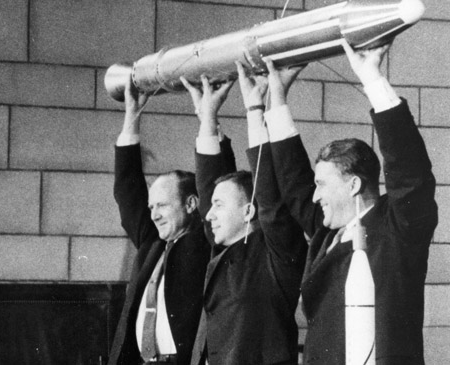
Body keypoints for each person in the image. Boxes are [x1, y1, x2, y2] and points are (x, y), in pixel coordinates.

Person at [266, 40, 438, 364]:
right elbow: (293, 182)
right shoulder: (328, 232)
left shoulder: (398, 229)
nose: (314, 196)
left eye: (321, 185)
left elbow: (410, 172)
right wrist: (276, 97)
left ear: (354, 185)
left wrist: (371, 78)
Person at [181, 65, 307, 364]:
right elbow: (210, 182)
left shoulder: (276, 250)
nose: (208, 215)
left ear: (250, 210)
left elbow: (270, 196)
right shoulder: (223, 249)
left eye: (219, 205)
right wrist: (208, 120)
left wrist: (254, 108)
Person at [108, 77, 212, 365]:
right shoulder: (152, 241)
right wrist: (132, 115)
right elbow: (127, 189)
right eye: (152, 206)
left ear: (192, 204)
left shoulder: (207, 241)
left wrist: (207, 115)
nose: (153, 214)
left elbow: (214, 176)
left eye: (162, 205)